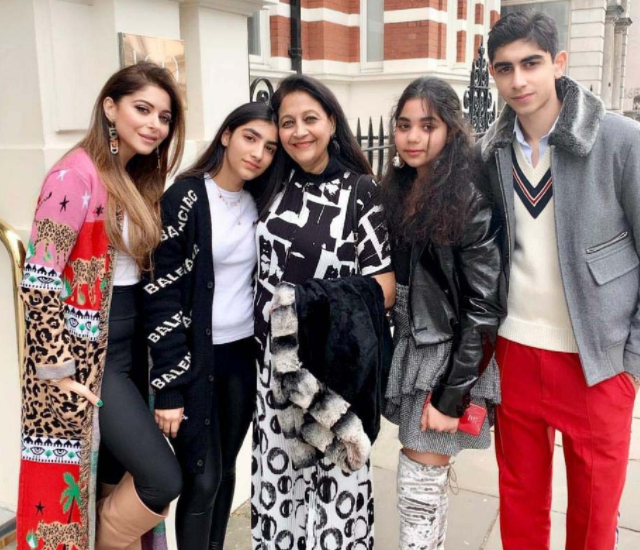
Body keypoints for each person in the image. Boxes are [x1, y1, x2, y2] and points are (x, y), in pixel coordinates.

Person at [478, 11, 640, 550]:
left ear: (559, 63)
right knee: (520, 503)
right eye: (505, 68)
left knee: (594, 517)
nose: (518, 80)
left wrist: (632, 362)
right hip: (515, 353)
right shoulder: (490, 152)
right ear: (493, 75)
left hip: (597, 360)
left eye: (531, 63)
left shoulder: (620, 141)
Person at [17, 62, 186, 550]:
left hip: (131, 354)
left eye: (164, 116)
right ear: (110, 108)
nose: (155, 124)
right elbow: (39, 278)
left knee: (109, 484)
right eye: (142, 109)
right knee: (161, 478)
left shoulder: (134, 178)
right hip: (90, 363)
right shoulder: (74, 175)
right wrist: (58, 371)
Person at [252, 74, 395, 550]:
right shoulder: (273, 184)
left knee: (336, 488)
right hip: (273, 368)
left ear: (332, 122)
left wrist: (304, 302)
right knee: (279, 488)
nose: (299, 131)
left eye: (310, 118)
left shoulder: (361, 191)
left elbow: (384, 288)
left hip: (330, 371)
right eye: (287, 122)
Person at [142, 101, 282, 550]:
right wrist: (169, 386)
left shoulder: (263, 202)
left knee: (224, 473)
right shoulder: (184, 198)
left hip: (242, 357)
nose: (258, 153)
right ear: (226, 135)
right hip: (195, 360)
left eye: (270, 147)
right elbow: (160, 292)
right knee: (201, 479)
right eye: (250, 138)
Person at [380, 76, 503, 549]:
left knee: (418, 487)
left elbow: (483, 306)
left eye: (427, 126)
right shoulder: (400, 187)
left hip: (446, 354)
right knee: (421, 484)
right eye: (404, 125)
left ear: (451, 130)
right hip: (412, 342)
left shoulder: (467, 197)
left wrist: (452, 396)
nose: (412, 137)